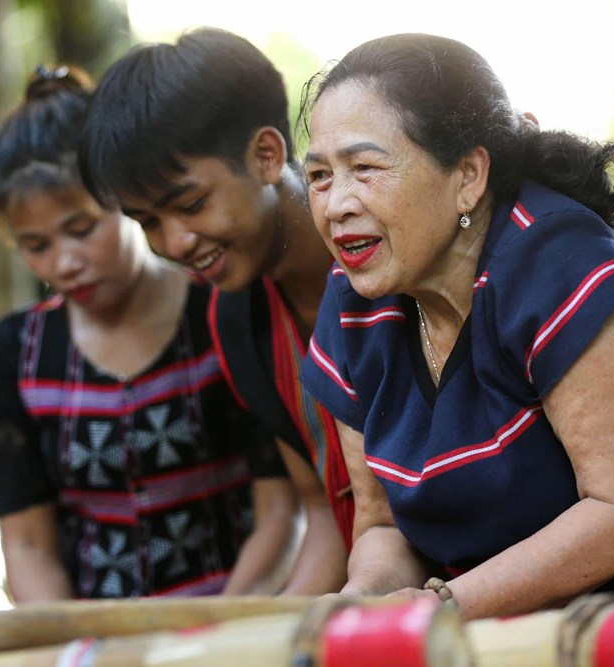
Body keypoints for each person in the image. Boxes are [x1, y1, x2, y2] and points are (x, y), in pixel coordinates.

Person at [298, 33, 614, 664]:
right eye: (320, 176)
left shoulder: (558, 261)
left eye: (366, 168)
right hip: (510, 588)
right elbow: (381, 525)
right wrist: (364, 605)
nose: (336, 205)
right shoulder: (353, 299)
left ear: (467, 176)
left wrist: (439, 611)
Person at [0, 64, 298, 602]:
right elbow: (28, 546)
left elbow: (281, 512)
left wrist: (213, 639)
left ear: (126, 202)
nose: (66, 262)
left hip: (235, 618)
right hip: (95, 640)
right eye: (36, 246)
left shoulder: (223, 309)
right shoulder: (14, 355)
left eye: (82, 230)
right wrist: (71, 649)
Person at [77, 28, 352, 594]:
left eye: (191, 204)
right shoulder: (235, 322)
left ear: (267, 155)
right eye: (147, 222)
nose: (174, 242)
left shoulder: (384, 261)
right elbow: (324, 514)